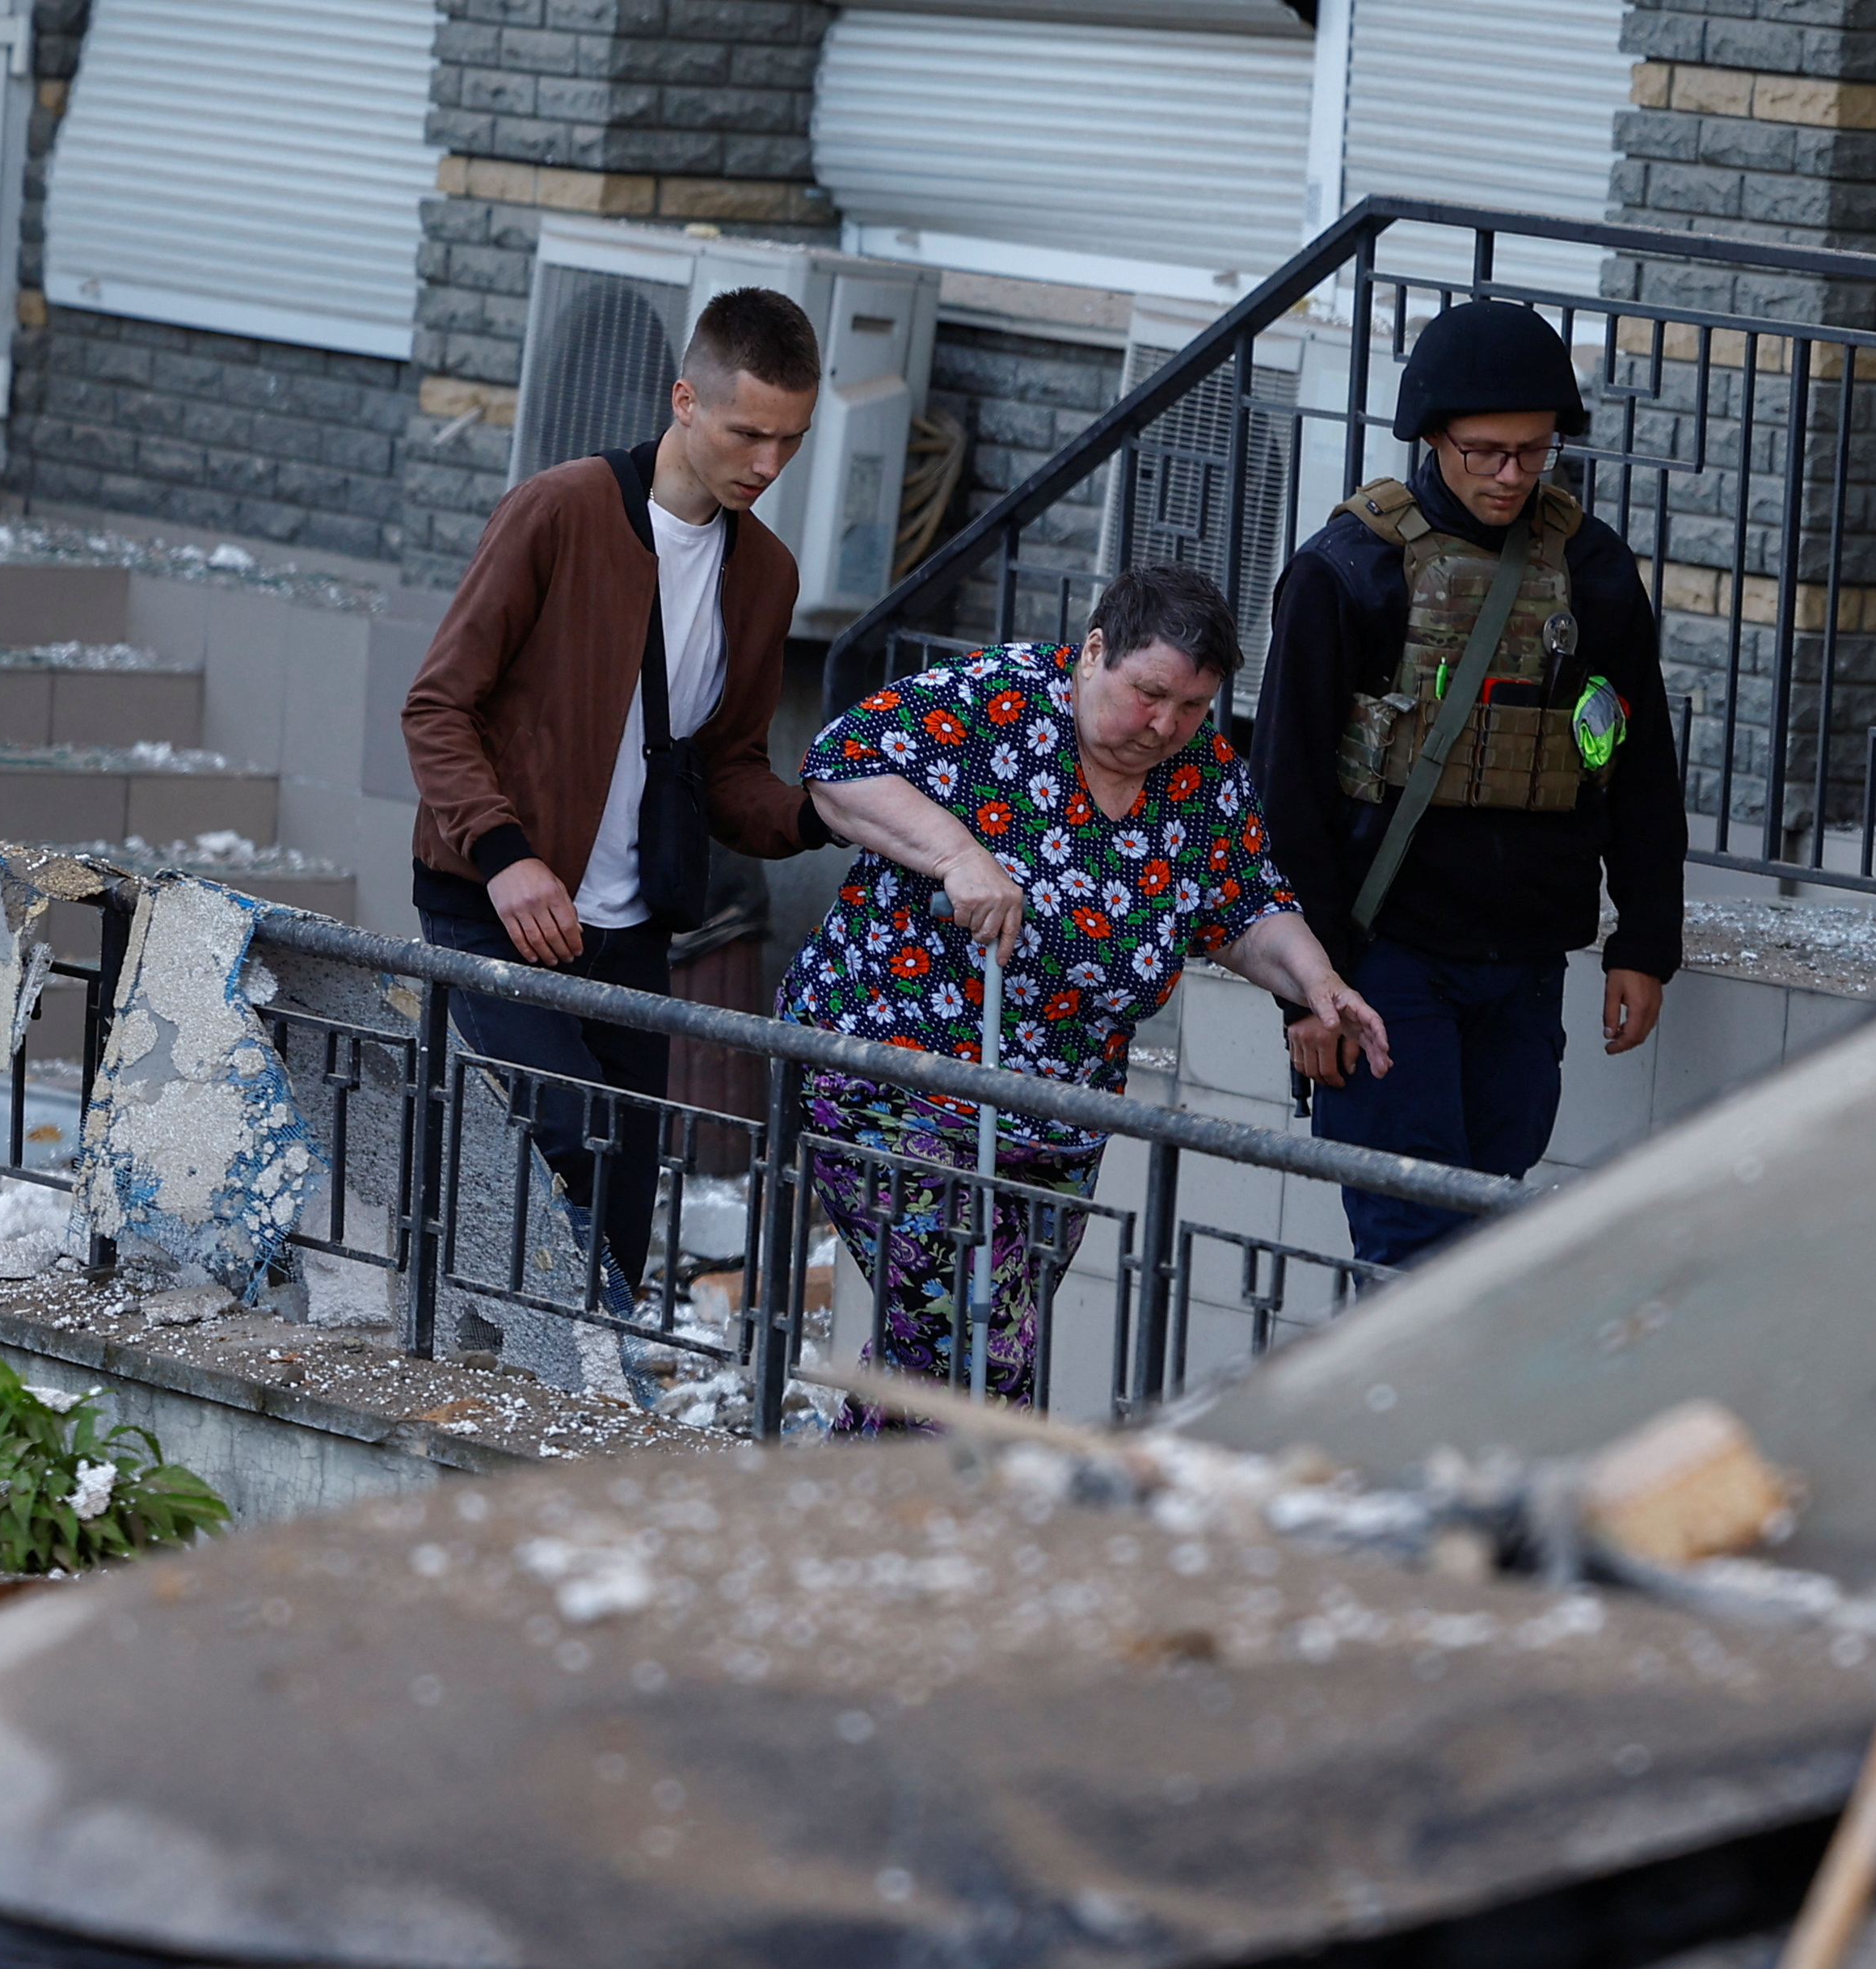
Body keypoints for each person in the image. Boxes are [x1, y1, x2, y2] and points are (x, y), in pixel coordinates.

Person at [783, 562, 1389, 1420]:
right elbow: (837, 765)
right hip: (898, 1079)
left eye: (1191, 708)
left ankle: (856, 1529)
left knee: (944, 1354)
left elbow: (1248, 908)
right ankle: (966, 1531)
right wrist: (958, 856)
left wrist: (1317, 981)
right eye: (1149, 694)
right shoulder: (998, 701)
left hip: (1059, 1119)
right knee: (979, 1347)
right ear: (1094, 651)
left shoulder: (1203, 777)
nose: (1165, 725)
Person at [403, 287, 831, 1313]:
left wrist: (828, 817)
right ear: (685, 400)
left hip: (634, 928)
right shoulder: (560, 509)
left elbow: (728, 770)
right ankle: (481, 1347)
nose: (769, 465)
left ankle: (580, 1387)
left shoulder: (765, 573)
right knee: (558, 1130)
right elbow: (436, 705)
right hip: (493, 899)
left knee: (625, 1197)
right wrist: (506, 856)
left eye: (793, 441)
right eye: (749, 433)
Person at [1251, 297, 1687, 1268]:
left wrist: (1647, 941)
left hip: (1528, 958)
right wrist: (1305, 992)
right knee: (1410, 1241)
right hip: (1386, 959)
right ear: (1432, 436)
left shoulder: (1594, 568)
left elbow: (1639, 761)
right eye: (1487, 451)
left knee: (1488, 1239)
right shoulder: (1349, 570)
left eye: (1535, 453)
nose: (1512, 475)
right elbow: (1286, 793)